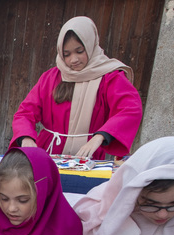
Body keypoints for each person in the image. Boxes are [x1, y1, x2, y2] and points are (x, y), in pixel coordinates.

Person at [10, 16, 143, 159]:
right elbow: (24, 113)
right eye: (66, 54)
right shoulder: (51, 78)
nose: (73, 60)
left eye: (79, 51)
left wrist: (99, 137)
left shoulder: (110, 77)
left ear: (91, 45)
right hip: (48, 154)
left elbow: (130, 109)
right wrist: (26, 138)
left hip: (88, 155)